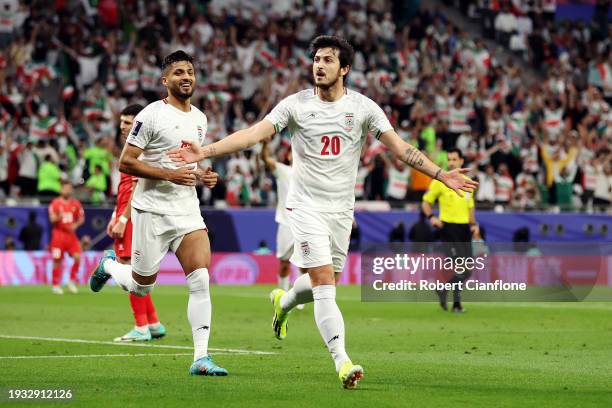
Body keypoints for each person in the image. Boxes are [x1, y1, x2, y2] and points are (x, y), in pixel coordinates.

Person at [170, 35, 477, 388]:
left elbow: (400, 148)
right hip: (305, 208)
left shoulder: (363, 108)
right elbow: (255, 134)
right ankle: (343, 362)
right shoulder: (296, 105)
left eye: (328, 60)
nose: (319, 65)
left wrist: (441, 174)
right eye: (316, 59)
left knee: (320, 280)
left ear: (344, 68)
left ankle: (284, 302)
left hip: (341, 211)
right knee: (325, 285)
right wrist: (205, 152)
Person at [88, 51, 227, 376]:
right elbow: (126, 162)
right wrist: (168, 175)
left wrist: (202, 175)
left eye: (190, 71)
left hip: (186, 209)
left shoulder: (200, 119)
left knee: (201, 278)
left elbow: (186, 165)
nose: (186, 77)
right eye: (178, 72)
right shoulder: (150, 115)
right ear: (165, 80)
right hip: (151, 210)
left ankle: (201, 358)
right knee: (141, 286)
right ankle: (109, 263)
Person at [106, 104, 166, 342]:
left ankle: (140, 327)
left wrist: (123, 218)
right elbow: (124, 188)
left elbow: (138, 188)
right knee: (138, 273)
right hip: (125, 214)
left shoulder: (140, 151)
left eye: (128, 122)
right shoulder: (131, 149)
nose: (122, 126)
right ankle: (153, 323)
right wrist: (115, 214)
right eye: (121, 121)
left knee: (129, 269)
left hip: (132, 217)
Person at [422, 148, 479, 313]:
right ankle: (456, 304)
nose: (451, 162)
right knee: (460, 268)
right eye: (449, 159)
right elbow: (426, 202)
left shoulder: (468, 182)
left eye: (454, 159)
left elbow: (470, 207)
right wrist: (432, 217)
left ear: (461, 161)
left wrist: (474, 225)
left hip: (464, 229)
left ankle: (443, 290)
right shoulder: (441, 181)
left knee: (467, 270)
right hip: (448, 228)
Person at [260, 139, 294, 292]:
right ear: (289, 156)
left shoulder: (312, 174)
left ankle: (297, 295)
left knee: (307, 264)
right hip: (286, 223)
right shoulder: (283, 170)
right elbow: (265, 159)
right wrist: (265, 144)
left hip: (307, 223)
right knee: (284, 262)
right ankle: (283, 296)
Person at [48, 181, 85, 294]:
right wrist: (58, 217)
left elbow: (81, 218)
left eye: (69, 188)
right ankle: (55, 284)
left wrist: (75, 225)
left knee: (77, 257)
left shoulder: (76, 203)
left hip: (71, 236)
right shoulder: (55, 203)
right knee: (57, 260)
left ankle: (71, 281)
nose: (68, 191)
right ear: (61, 190)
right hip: (58, 235)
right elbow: (52, 219)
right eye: (65, 188)